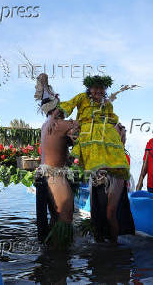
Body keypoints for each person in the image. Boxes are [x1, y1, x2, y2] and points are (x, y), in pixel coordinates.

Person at [58, 75, 131, 243]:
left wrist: (120, 129)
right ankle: (101, 239)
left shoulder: (108, 105)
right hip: (91, 145)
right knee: (99, 200)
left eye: (102, 88)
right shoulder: (81, 98)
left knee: (111, 211)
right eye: (95, 88)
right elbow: (66, 107)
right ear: (89, 89)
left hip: (110, 146)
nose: (98, 91)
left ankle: (114, 246)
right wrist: (69, 123)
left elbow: (113, 120)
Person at [34, 74, 80, 247]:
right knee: (66, 217)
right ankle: (61, 258)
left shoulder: (46, 125)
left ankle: (52, 257)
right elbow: (84, 122)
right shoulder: (59, 124)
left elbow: (61, 145)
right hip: (55, 176)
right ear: (56, 107)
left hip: (44, 174)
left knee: (55, 216)